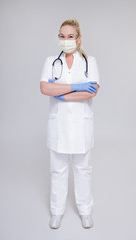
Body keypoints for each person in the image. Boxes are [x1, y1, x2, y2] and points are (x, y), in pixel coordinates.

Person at [40, 19, 100, 229]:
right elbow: (45, 89)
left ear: (79, 38)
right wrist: (75, 87)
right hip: (59, 126)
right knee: (57, 170)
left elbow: (91, 91)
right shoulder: (51, 61)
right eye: (62, 36)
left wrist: (62, 94)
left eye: (70, 36)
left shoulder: (89, 61)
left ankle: (85, 211)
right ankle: (56, 212)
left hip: (82, 127)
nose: (65, 40)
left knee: (83, 169)